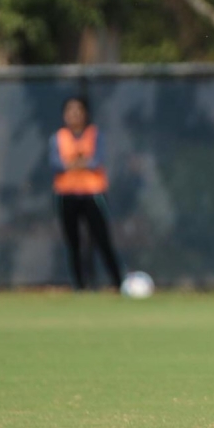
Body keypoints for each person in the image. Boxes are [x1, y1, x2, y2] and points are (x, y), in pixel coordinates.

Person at [50, 96, 123, 292]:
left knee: (101, 239)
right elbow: (56, 163)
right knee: (73, 242)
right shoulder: (58, 137)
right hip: (67, 194)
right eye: (70, 111)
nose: (74, 114)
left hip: (93, 193)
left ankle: (118, 283)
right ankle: (80, 287)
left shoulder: (94, 134)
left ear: (85, 113)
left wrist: (73, 164)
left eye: (78, 110)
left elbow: (95, 160)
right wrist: (78, 163)